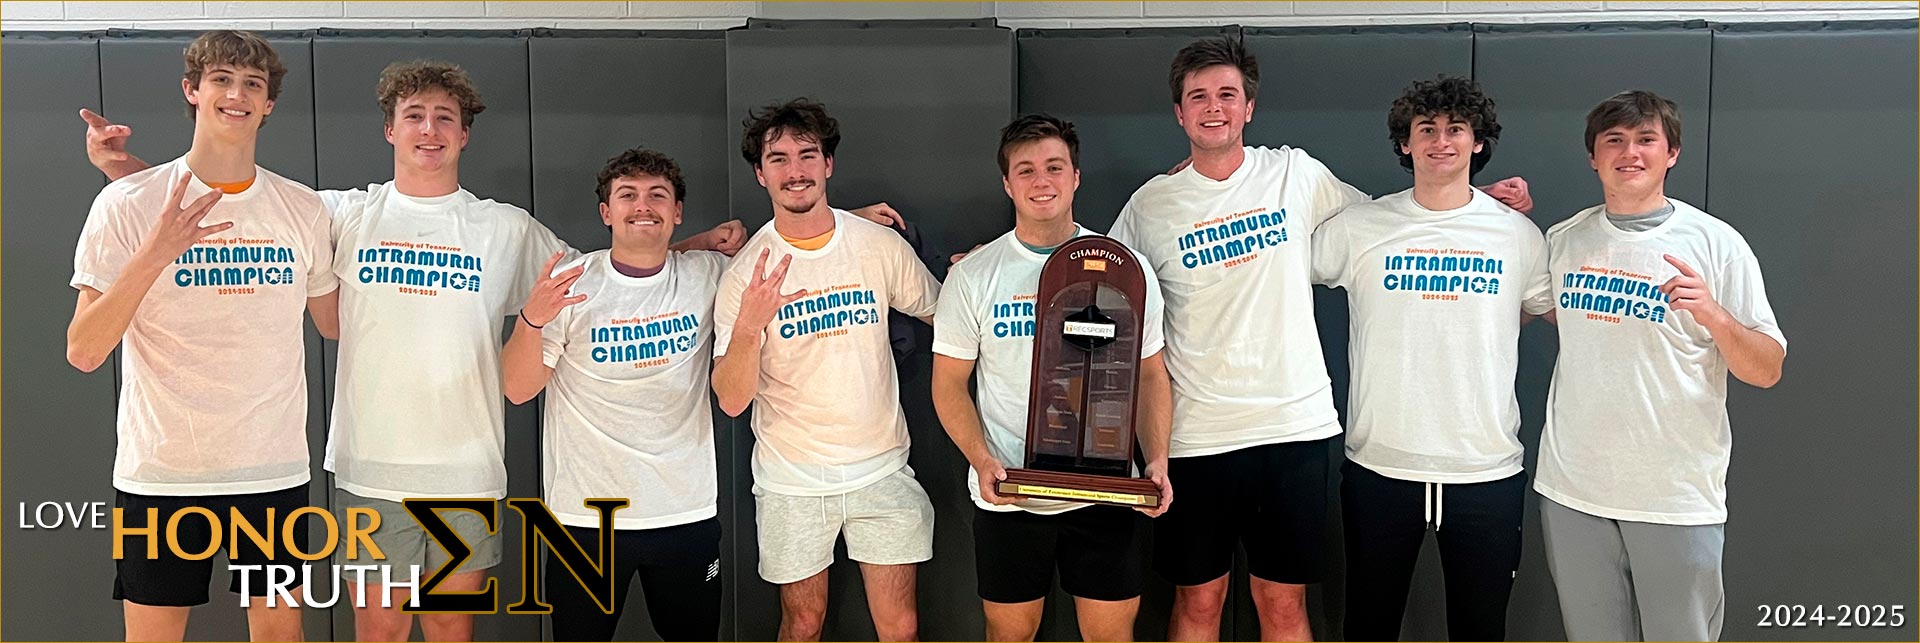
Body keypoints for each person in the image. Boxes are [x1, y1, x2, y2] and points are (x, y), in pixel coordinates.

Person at [83, 59, 745, 642]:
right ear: (390, 129)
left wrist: (685, 249)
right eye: (414, 115)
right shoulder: (341, 213)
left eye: (444, 118)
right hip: (373, 471)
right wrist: (125, 173)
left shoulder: (504, 228)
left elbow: (599, 278)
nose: (429, 129)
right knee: (379, 630)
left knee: (452, 632)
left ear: (463, 134)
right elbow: (236, 207)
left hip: (466, 472)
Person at [1107, 37, 1536, 641]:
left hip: (1293, 430)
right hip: (1194, 434)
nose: (1213, 107)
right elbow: (1099, 281)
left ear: (1248, 108)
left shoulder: (1296, 172)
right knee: (1199, 604)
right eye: (1197, 97)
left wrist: (1477, 206)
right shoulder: (1151, 205)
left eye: (1227, 94)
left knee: (1284, 607)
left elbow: (1397, 221)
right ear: (1179, 113)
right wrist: (1004, 268)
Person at [66, 30, 336, 642]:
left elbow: (335, 321)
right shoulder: (128, 205)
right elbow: (83, 349)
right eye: (221, 79)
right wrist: (155, 254)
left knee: (279, 637)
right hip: (161, 472)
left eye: (252, 84)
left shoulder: (303, 210)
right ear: (192, 90)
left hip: (270, 469)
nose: (236, 94)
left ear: (268, 104)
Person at [1536, 90, 1786, 642]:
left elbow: (1766, 369)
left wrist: (1715, 315)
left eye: (1646, 139)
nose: (1631, 153)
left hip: (1673, 493)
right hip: (1573, 488)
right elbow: (1555, 313)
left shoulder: (1715, 243)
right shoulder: (1564, 239)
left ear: (1671, 153)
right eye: (1615, 141)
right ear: (1593, 157)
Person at [1310, 75, 1551, 641]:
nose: (1441, 141)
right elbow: (1276, 267)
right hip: (1380, 466)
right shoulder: (1359, 227)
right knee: (1368, 627)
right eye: (1427, 130)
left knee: (1480, 629)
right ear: (1405, 144)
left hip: (1485, 468)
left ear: (1477, 143)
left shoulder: (1518, 234)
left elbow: (1532, 308)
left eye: (1456, 129)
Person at [930, 114, 1173, 642]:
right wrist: (981, 459)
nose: (1042, 181)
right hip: (1010, 493)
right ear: (1007, 184)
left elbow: (1152, 375)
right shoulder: (974, 276)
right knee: (1009, 635)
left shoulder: (1127, 270)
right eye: (1026, 170)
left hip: (1105, 493)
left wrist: (1156, 459)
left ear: (1076, 176)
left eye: (1054, 167)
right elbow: (948, 385)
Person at [710, 98, 942, 642]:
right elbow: (731, 400)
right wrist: (748, 327)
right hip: (792, 481)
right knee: (803, 623)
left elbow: (945, 313)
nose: (796, 170)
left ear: (827, 164)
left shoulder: (877, 246)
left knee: (900, 627)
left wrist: (984, 268)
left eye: (807, 155)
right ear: (760, 172)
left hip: (882, 468)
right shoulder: (745, 274)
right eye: (780, 158)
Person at [500, 148, 728, 641]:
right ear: (607, 212)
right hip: (585, 521)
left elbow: (792, 246)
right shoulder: (572, 285)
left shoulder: (708, 273)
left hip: (684, 513)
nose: (642, 205)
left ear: (677, 211)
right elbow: (517, 390)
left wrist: (853, 219)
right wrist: (533, 319)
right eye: (628, 195)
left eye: (657, 195)